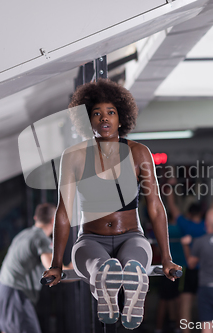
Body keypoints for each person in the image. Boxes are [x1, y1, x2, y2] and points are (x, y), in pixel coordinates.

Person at [42, 79, 181, 330]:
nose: (104, 118)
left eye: (110, 112)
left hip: (132, 237)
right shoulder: (74, 156)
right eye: (96, 113)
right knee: (102, 267)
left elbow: (156, 207)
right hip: (90, 240)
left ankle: (131, 293)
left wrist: (168, 258)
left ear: (120, 118)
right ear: (88, 120)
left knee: (134, 267)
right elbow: (63, 212)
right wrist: (56, 264)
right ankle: (106, 289)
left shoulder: (139, 152)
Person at [0, 203, 71, 333]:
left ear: (35, 218)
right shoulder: (40, 238)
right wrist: (78, 271)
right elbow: (52, 269)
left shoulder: (24, 234)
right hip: (14, 296)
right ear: (53, 220)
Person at [165, 177, 213, 333]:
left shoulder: (185, 224)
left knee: (185, 305)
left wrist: (170, 186)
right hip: (206, 270)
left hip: (189, 270)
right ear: (202, 213)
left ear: (189, 213)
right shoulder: (206, 225)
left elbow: (172, 206)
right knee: (211, 303)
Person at [155, 213, 185, 333]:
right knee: (178, 299)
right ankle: (178, 328)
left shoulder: (161, 231)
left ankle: (158, 329)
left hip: (167, 269)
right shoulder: (181, 229)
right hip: (177, 268)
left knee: (164, 300)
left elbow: (157, 250)